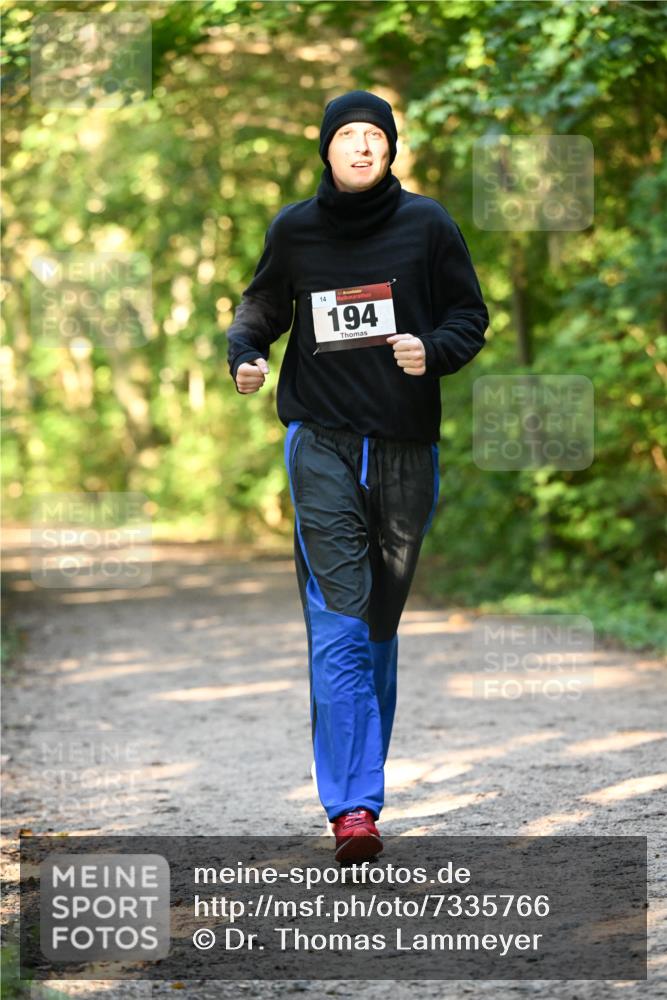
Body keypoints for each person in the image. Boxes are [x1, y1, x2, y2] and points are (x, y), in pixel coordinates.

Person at [226, 90, 489, 864]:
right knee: (341, 615)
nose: (362, 146)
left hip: (406, 447)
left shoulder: (428, 225)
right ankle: (354, 808)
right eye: (348, 135)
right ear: (326, 149)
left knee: (378, 622)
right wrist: (245, 353)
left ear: (390, 148)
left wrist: (431, 350)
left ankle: (358, 786)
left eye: (375, 135)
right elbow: (260, 306)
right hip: (321, 443)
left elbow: (468, 317)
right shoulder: (295, 230)